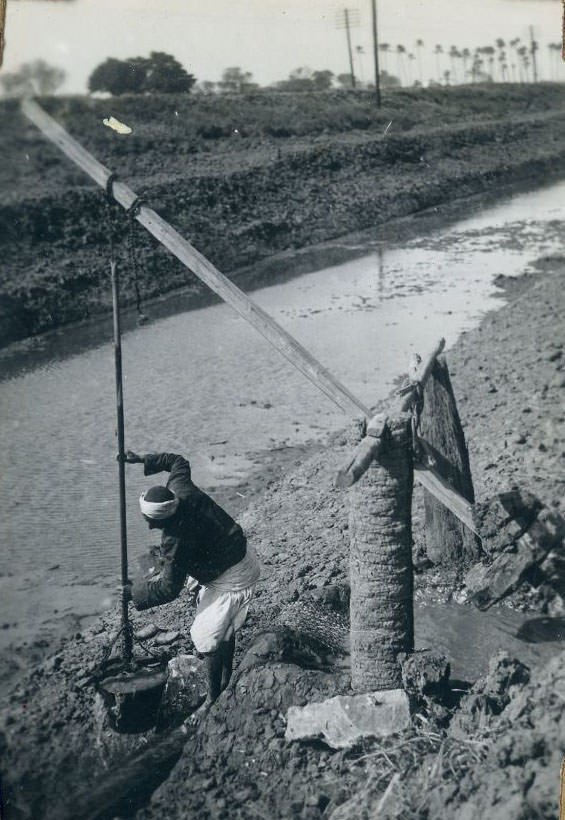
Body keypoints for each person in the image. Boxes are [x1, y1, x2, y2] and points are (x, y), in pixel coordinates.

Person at [123, 450, 261, 716]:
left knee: (205, 635)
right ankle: (225, 678)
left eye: (150, 522)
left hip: (234, 574)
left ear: (160, 518)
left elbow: (168, 589)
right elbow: (177, 461)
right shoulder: (179, 487)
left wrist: (134, 592)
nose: (150, 527)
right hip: (238, 552)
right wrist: (141, 459)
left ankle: (212, 698)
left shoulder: (175, 540)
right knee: (222, 624)